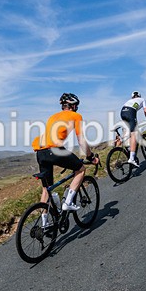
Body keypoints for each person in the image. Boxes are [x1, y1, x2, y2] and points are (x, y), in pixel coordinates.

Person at [31, 93, 99, 227]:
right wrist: (90, 157)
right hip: (54, 150)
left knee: (47, 189)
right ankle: (68, 203)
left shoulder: (53, 117)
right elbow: (81, 140)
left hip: (40, 152)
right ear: (73, 106)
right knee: (80, 169)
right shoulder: (76, 116)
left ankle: (45, 223)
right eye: (76, 106)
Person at [119, 91, 146, 167]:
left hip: (122, 112)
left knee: (130, 130)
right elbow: (145, 111)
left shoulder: (129, 101)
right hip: (130, 112)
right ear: (139, 96)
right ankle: (132, 158)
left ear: (132, 97)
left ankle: (128, 146)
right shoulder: (142, 99)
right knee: (134, 133)